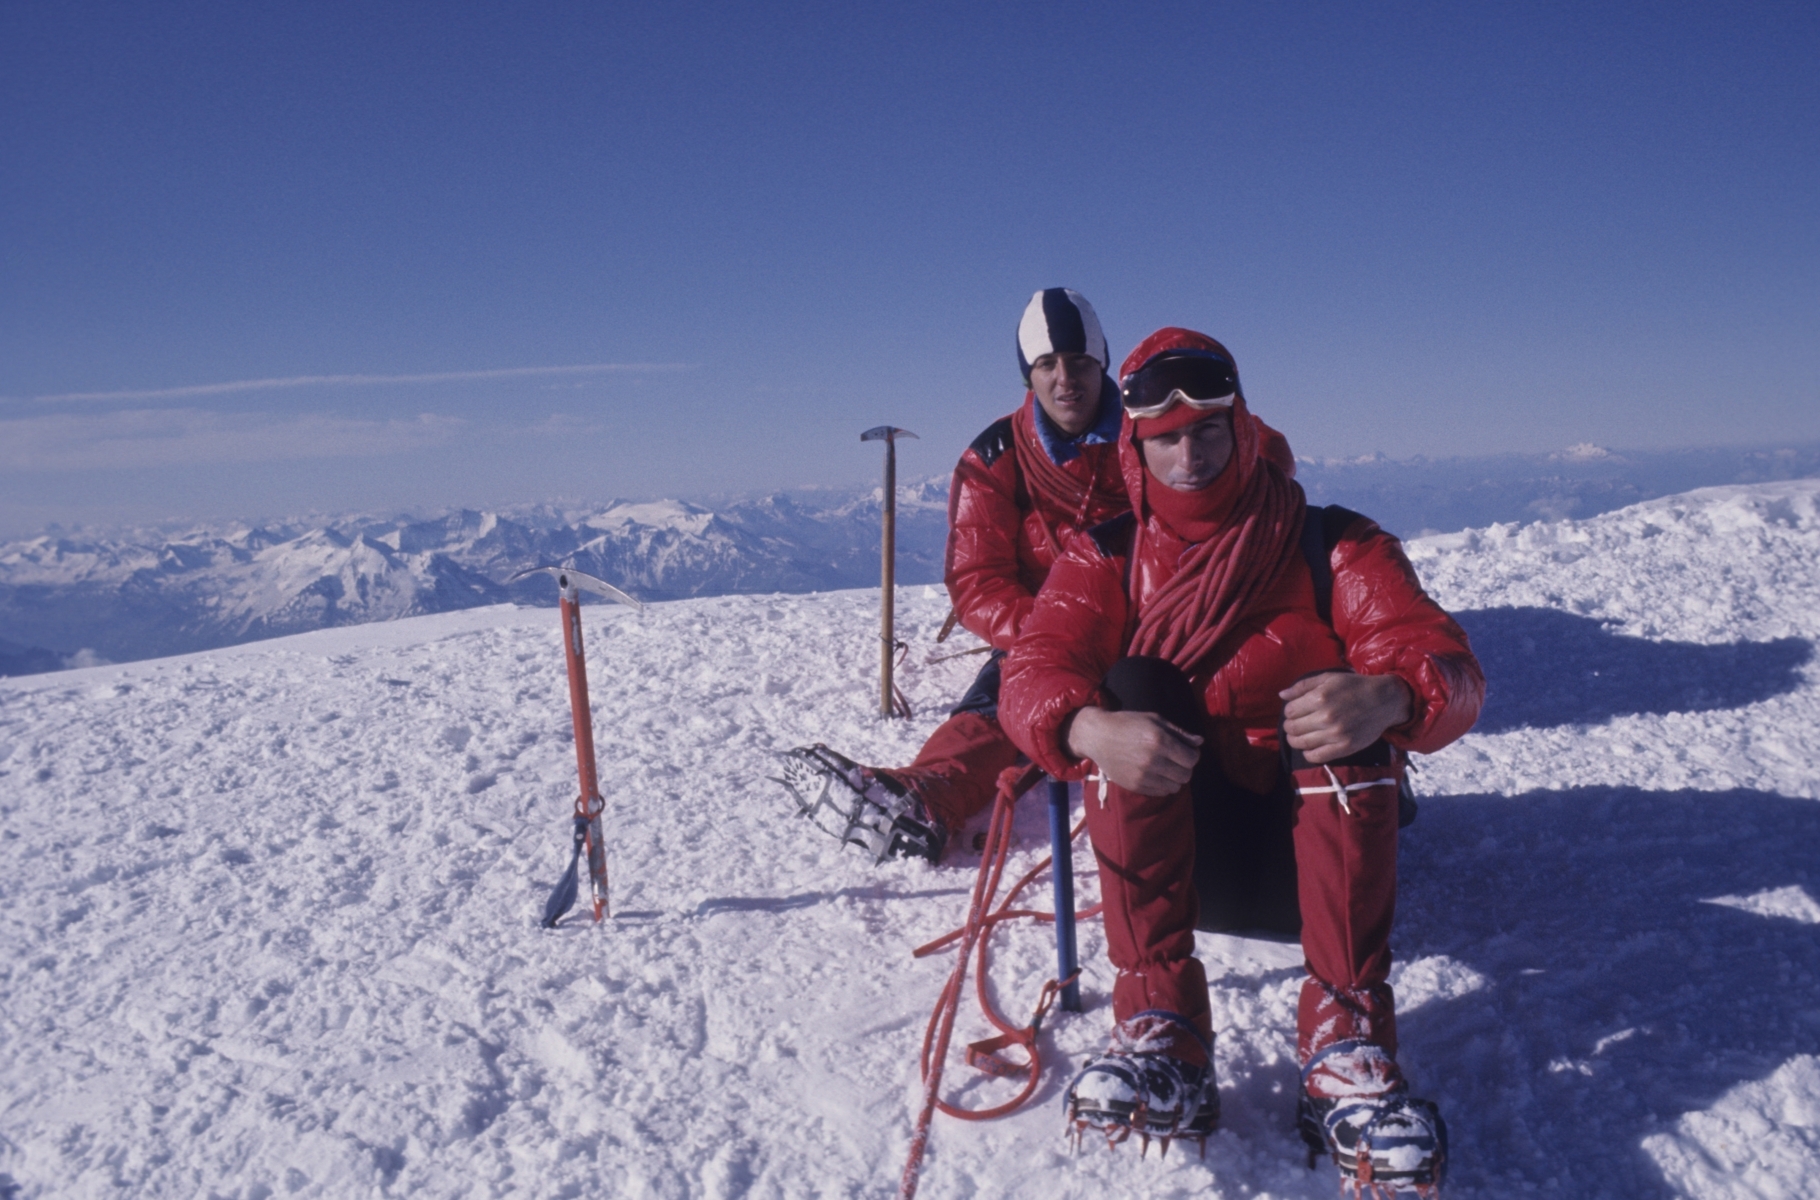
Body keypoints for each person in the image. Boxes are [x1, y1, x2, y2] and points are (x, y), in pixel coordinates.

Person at [999, 327, 1483, 1193]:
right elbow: (1034, 670)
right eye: (1166, 437)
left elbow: (1448, 665)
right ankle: (1159, 1023)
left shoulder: (1334, 543)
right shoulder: (1104, 553)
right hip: (1184, 862)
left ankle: (1347, 1035)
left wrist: (1395, 695)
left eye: (1208, 429)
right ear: (1138, 448)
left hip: (1319, 868)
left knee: (1346, 699)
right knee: (1129, 688)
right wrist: (1084, 729)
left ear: (1243, 427)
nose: (1190, 454)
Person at [776, 288, 1131, 861]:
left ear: (1103, 364)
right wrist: (1052, 637)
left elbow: (1249, 453)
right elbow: (978, 583)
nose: (1067, 378)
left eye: (1081, 362)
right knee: (1004, 699)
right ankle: (928, 795)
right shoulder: (996, 458)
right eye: (1047, 364)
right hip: (1045, 637)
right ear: (1028, 375)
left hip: (1152, 622)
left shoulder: (1154, 427)